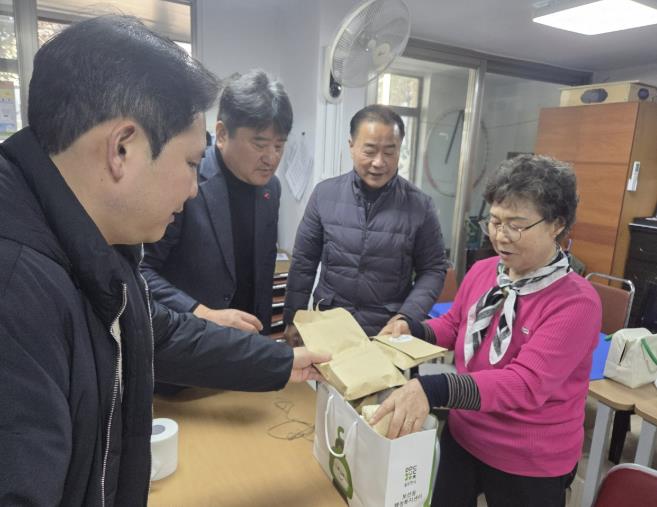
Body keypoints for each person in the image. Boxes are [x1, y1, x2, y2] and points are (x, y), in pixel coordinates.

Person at [0, 15, 328, 506]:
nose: (194, 188)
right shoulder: (15, 288)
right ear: (122, 148)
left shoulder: (98, 245)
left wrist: (282, 361)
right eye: (192, 163)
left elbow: (160, 332)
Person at [373, 155, 602, 507]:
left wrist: (435, 388)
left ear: (556, 224)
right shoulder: (485, 271)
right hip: (465, 434)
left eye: (516, 225)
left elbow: (525, 384)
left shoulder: (576, 303)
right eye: (494, 221)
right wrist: (412, 329)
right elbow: (455, 325)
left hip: (529, 460)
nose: (500, 236)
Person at [141, 69, 291, 335]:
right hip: (193, 340)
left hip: (249, 341)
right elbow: (142, 271)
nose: (271, 158)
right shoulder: (186, 180)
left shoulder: (271, 189)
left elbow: (263, 270)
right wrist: (203, 314)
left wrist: (264, 342)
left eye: (279, 146)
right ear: (222, 134)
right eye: (260, 144)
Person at [283, 104, 448, 338]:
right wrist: (293, 318)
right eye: (369, 151)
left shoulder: (420, 205)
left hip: (387, 332)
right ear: (351, 146)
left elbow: (433, 269)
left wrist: (407, 316)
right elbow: (304, 262)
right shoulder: (324, 195)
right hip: (330, 325)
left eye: (389, 152)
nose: (379, 162)